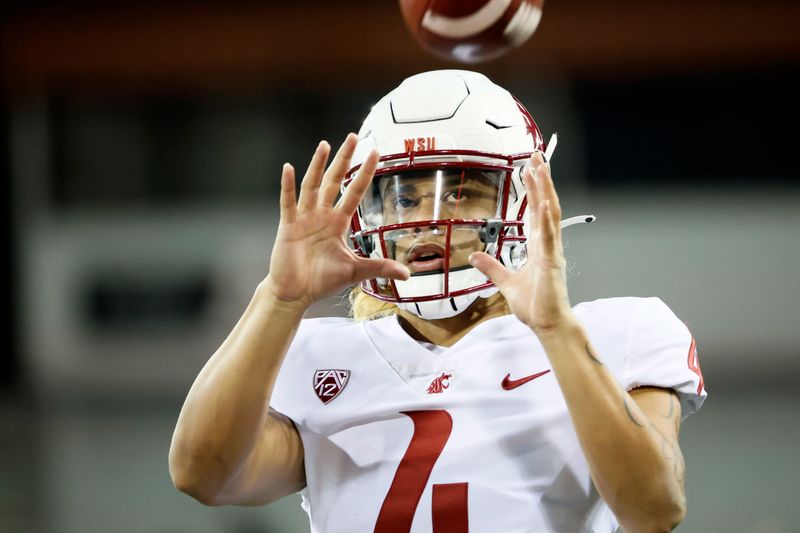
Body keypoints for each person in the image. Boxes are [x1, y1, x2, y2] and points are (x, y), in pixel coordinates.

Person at [169, 70, 706, 532]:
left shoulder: (619, 330)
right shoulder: (314, 354)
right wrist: (280, 299)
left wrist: (556, 332)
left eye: (461, 190)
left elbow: (653, 509)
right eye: (404, 196)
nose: (426, 219)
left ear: (522, 196)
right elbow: (203, 475)